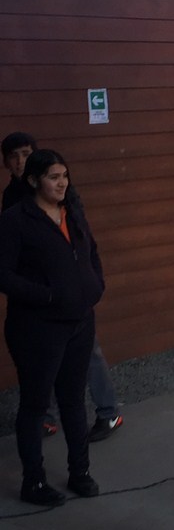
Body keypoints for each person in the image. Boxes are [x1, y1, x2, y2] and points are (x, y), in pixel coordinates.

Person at [1, 132, 123, 442]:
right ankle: (46, 416)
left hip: (73, 296)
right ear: (6, 163)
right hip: (40, 302)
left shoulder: (63, 194)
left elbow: (85, 241)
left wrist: (92, 284)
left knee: (88, 351)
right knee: (45, 358)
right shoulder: (12, 197)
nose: (20, 161)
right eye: (14, 156)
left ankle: (108, 411)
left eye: (26, 153)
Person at [0, 149, 104, 506]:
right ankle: (34, 482)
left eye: (65, 176)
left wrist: (95, 285)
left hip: (79, 322)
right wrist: (46, 296)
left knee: (74, 400)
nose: (62, 184)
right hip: (37, 328)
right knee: (35, 405)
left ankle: (80, 472)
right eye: (53, 177)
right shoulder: (15, 220)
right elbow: (3, 274)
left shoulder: (71, 212)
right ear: (33, 181)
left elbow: (91, 252)